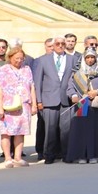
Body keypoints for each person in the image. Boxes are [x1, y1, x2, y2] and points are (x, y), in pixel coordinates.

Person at [32, 36, 76, 164]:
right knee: (50, 129)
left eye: (63, 43)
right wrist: (39, 101)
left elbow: (75, 78)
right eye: (58, 44)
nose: (61, 45)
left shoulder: (72, 59)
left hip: (66, 99)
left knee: (66, 129)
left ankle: (67, 154)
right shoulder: (43, 60)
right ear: (53, 45)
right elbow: (38, 81)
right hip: (48, 99)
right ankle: (49, 155)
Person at [66, 47, 98, 164]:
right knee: (81, 130)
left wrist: (97, 91)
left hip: (96, 104)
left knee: (95, 130)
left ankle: (93, 155)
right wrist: (74, 96)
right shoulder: (77, 70)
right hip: (82, 104)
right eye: (88, 57)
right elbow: (70, 87)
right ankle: (81, 155)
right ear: (84, 58)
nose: (90, 60)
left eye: (92, 57)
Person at [0, 46, 36, 167]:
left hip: (24, 104)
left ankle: (18, 157)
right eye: (16, 58)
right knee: (6, 132)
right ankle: (8, 158)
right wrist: (0, 107)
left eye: (21, 58)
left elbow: (32, 87)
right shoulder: (2, 70)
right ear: (10, 57)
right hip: (8, 105)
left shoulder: (27, 69)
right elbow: (0, 89)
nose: (19, 61)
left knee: (20, 131)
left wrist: (34, 104)